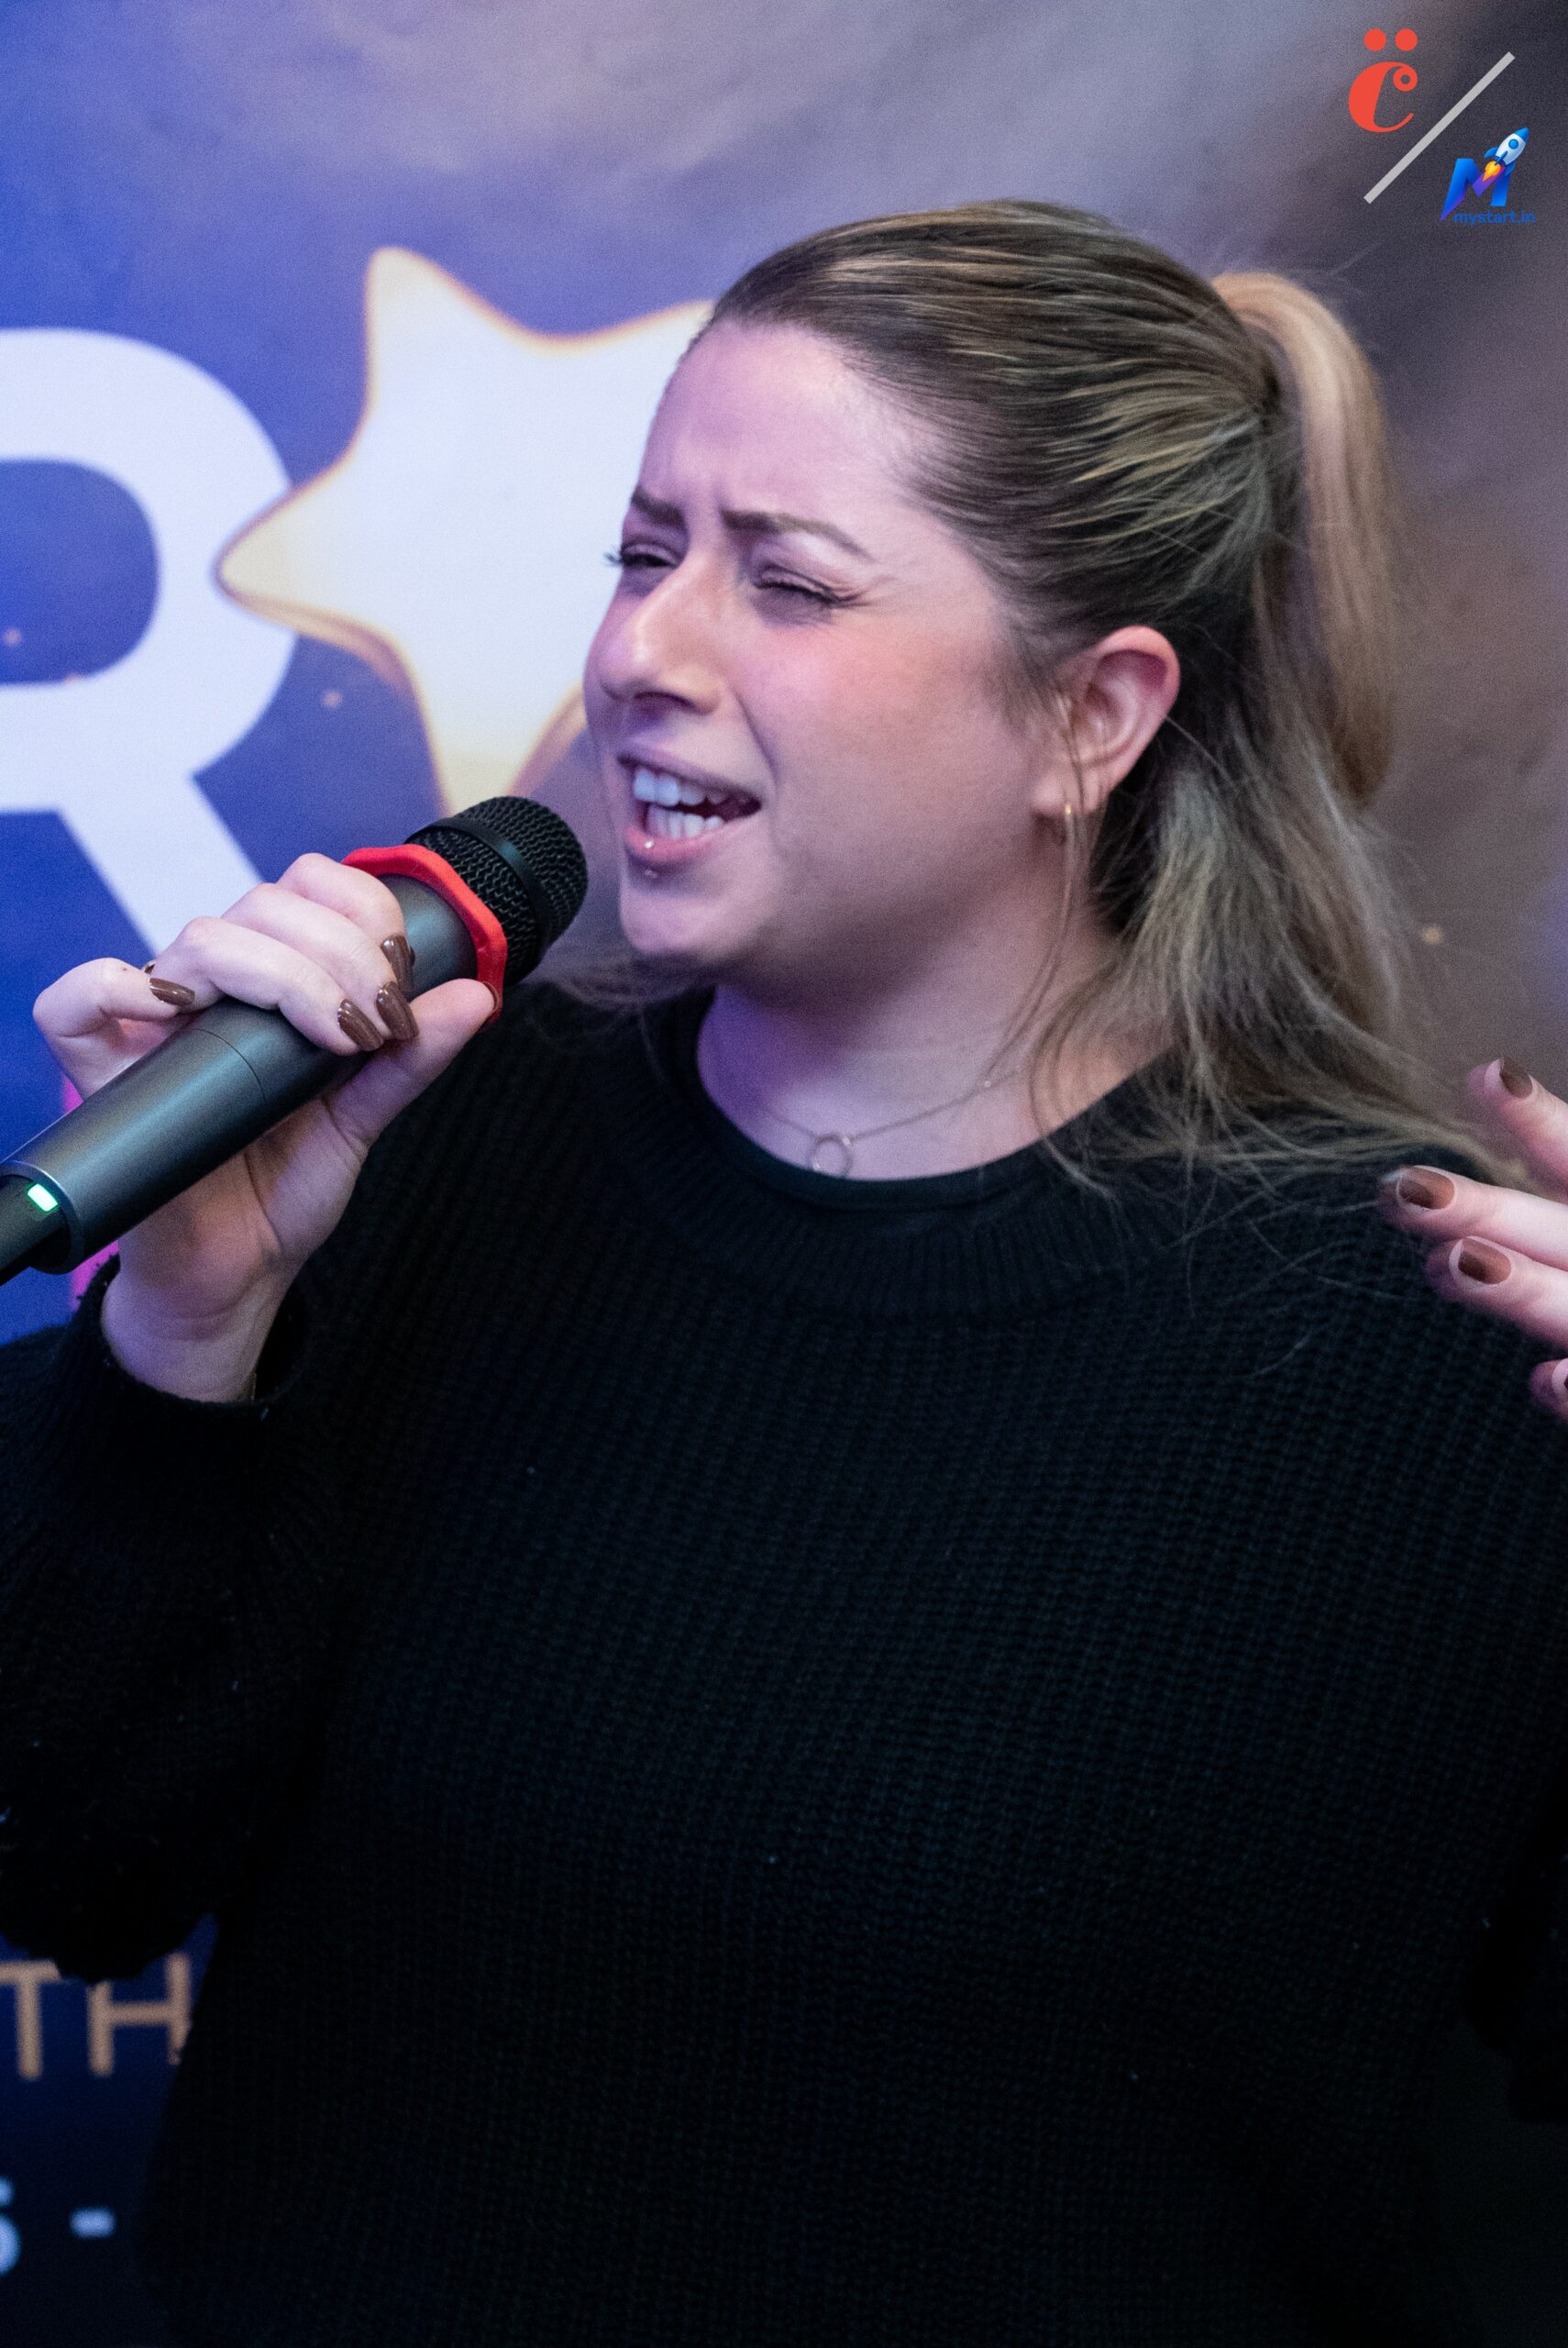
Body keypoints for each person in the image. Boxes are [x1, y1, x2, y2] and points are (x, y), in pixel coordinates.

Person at [1, 199, 1565, 2347]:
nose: (642, 648)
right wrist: (181, 1332)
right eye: (645, 549)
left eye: (790, 579)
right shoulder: (400, 1146)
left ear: (1093, 715)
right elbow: (67, 1871)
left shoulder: (1442, 1324)